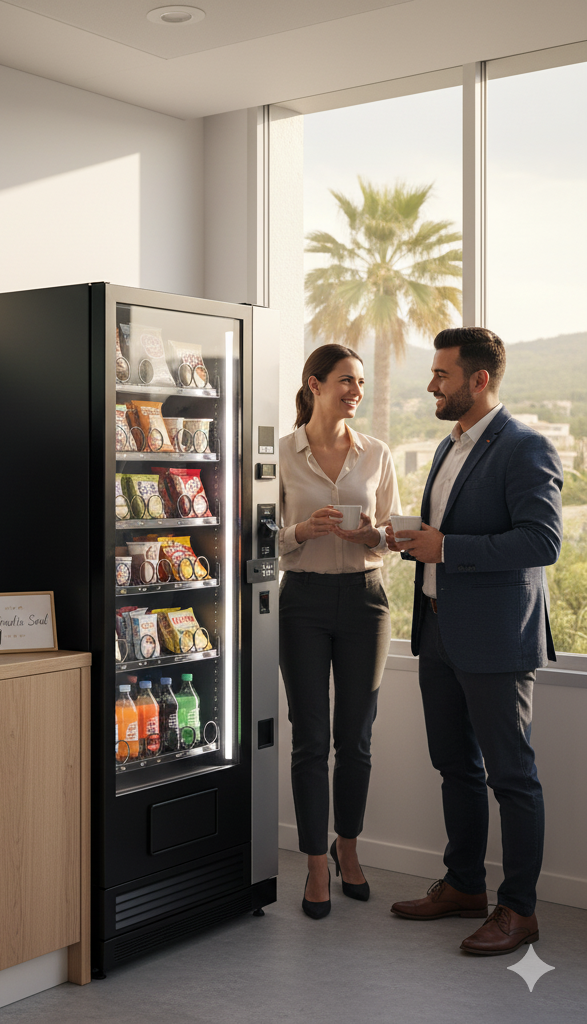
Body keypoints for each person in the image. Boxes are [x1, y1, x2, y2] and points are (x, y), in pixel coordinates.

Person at [387, 327, 562, 955]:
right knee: (454, 766)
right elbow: (444, 534)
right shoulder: (447, 446)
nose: (431, 385)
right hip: (437, 630)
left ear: (479, 379)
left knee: (512, 777)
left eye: (442, 374)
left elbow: (543, 541)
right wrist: (408, 539)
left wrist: (448, 547)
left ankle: (519, 910)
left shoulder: (526, 447)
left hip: (496, 639)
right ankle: (464, 885)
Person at [279, 343, 400, 919]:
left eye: (360, 382)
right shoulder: (281, 454)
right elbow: (260, 537)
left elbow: (393, 536)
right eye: (347, 380)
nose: (356, 391)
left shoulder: (377, 453)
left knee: (355, 739)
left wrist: (373, 535)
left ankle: (347, 848)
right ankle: (315, 865)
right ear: (315, 384)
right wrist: (301, 531)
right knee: (309, 739)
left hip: (365, 601)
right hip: (301, 602)